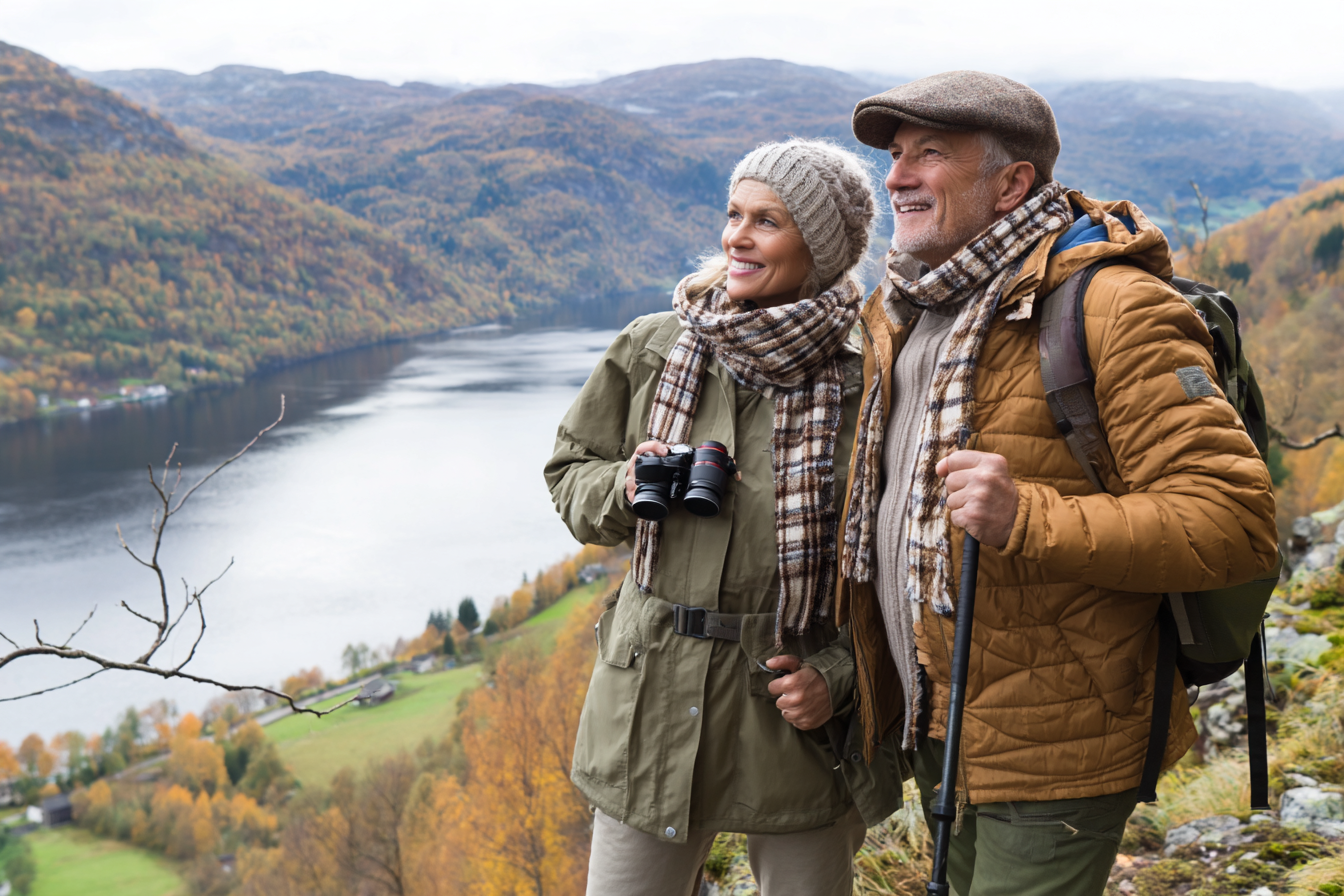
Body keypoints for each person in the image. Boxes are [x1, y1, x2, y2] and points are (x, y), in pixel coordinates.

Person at [833, 71, 1279, 896]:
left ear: (1013, 183)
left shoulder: (1114, 308)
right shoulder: (903, 311)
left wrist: (1025, 515)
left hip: (1057, 745)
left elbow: (1234, 522)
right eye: (895, 156)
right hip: (937, 725)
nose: (896, 176)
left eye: (929, 154)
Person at [545, 138, 906, 896]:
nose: (735, 237)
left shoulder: (870, 375)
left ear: (822, 245)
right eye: (734, 213)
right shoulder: (655, 348)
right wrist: (629, 483)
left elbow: (899, 557)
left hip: (791, 704)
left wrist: (837, 675)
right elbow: (570, 480)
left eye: (766, 221)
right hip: (650, 692)